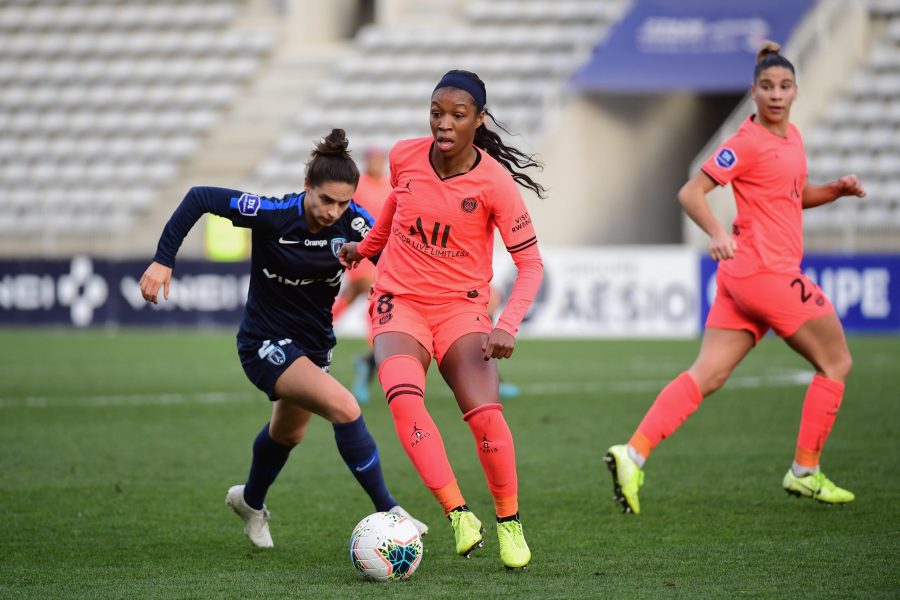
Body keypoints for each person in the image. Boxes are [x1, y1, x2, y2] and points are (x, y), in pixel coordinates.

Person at [604, 42, 866, 515]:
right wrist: (718, 231)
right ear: (752, 92)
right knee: (837, 362)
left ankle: (633, 452)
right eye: (767, 87)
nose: (776, 95)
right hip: (766, 272)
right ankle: (805, 471)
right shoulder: (746, 141)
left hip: (741, 280)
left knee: (707, 375)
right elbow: (691, 192)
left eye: (784, 86)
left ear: (795, 91)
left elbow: (793, 193)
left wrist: (835, 191)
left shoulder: (793, 140)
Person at [139, 129, 427, 548]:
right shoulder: (273, 214)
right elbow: (200, 196)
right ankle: (391, 511)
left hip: (314, 345)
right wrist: (164, 260)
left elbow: (396, 259)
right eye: (325, 199)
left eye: (343, 202)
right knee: (346, 408)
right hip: (264, 341)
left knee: (288, 434)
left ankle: (250, 501)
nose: (333, 211)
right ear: (307, 186)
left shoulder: (357, 222)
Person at [339, 69, 545, 570]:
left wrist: (507, 323)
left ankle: (509, 521)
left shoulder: (494, 182)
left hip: (461, 307)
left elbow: (531, 264)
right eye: (436, 112)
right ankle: (458, 514)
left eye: (457, 115)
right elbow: (395, 207)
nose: (444, 123)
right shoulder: (403, 156)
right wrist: (365, 249)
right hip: (398, 299)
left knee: (486, 416)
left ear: (478, 120)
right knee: (405, 401)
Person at [331, 146, 391, 404]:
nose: (376, 163)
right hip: (361, 251)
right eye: (372, 159)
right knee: (369, 292)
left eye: (380, 159)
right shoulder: (359, 185)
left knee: (367, 298)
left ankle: (368, 358)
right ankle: (321, 323)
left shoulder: (390, 185)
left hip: (384, 255)